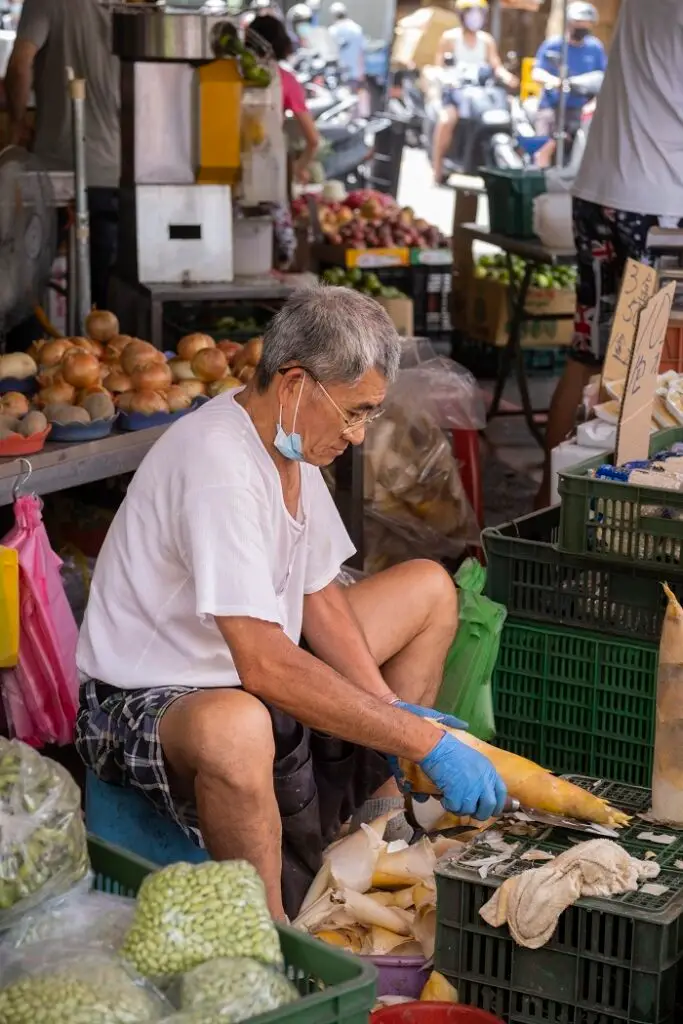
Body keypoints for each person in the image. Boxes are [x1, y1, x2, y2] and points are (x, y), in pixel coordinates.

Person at [75, 286, 506, 920]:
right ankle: (277, 936)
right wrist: (423, 740)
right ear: (297, 383)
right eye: (355, 413)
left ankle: (378, 833)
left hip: (243, 663)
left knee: (429, 591)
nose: (359, 436)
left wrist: (387, 713)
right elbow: (265, 667)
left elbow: (319, 592)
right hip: (148, 696)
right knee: (238, 726)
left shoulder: (285, 443)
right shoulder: (219, 462)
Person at [537, 0, 683, 508]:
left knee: (589, 352)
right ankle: (622, 512)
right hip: (660, 207)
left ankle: (546, 508)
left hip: (599, 190)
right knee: (658, 369)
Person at [5, 0, 120, 311]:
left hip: (57, 174)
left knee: (29, 288)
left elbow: (19, 64)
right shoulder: (133, 8)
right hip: (118, 174)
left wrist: (17, 122)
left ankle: (31, 350)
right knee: (104, 301)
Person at [431, 0, 517, 184]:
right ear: (462, 15)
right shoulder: (449, 38)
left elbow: (496, 65)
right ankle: (437, 169)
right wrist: (447, 78)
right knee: (446, 121)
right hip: (456, 93)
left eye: (479, 12)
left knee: (512, 112)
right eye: (471, 12)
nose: (475, 16)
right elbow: (438, 67)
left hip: (480, 92)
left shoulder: (486, 40)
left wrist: (507, 76)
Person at [532, 1, 606, 168]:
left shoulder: (595, 48)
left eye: (586, 24)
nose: (581, 27)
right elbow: (537, 72)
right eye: (578, 23)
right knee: (544, 146)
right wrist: (554, 81)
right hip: (552, 107)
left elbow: (603, 79)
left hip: (580, 109)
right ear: (569, 23)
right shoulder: (554, 45)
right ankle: (539, 177)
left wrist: (594, 104)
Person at [249, 13, 319, 185]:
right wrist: (298, 168)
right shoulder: (285, 79)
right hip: (265, 167)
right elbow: (313, 140)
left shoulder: (229, 74)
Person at [328, 2, 365, 90]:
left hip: (337, 75)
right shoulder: (357, 29)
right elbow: (361, 53)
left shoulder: (332, 31)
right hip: (354, 74)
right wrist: (361, 73)